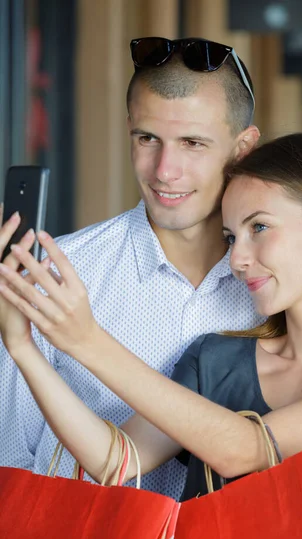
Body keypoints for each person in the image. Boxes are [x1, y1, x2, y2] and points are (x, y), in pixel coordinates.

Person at [1, 133, 302, 501]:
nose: (238, 259)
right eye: (231, 237)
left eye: (259, 226)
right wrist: (22, 345)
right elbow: (115, 460)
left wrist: (86, 340)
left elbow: (243, 450)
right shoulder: (215, 359)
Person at [0, 38, 261, 499]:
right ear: (128, 131)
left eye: (193, 143)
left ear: (242, 149)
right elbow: (11, 461)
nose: (165, 170)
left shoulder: (278, 286)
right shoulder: (55, 273)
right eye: (148, 139)